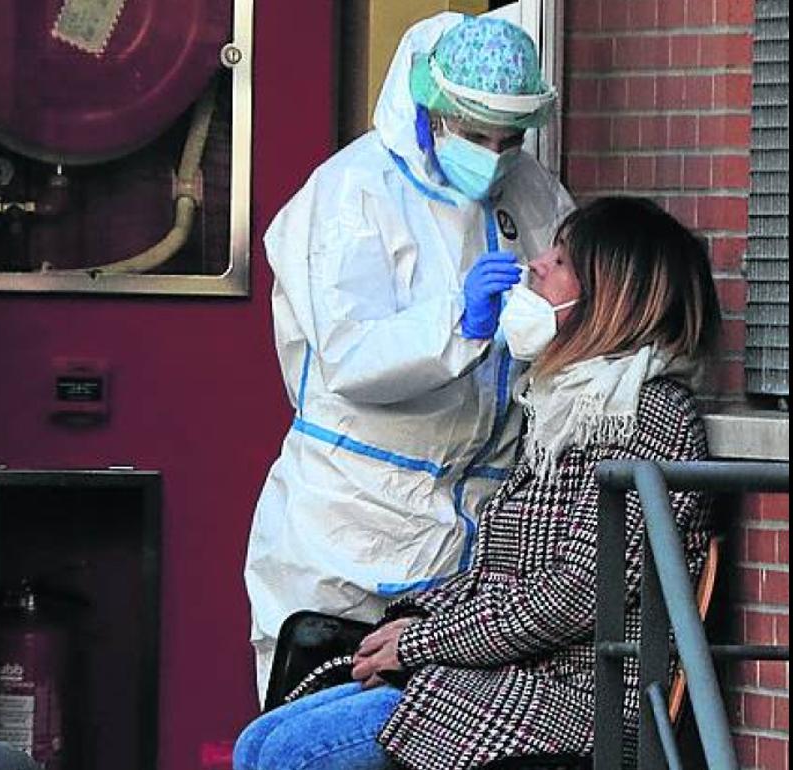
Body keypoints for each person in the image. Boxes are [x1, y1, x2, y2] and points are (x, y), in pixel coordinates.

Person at [233, 195, 723, 770]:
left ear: (615, 298)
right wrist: (411, 621)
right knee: (258, 742)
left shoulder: (648, 415)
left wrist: (419, 644)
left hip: (573, 700)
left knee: (294, 753)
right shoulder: (565, 404)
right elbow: (497, 574)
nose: (537, 264)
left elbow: (576, 594)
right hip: (507, 676)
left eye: (562, 261)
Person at [245, 12, 575, 699]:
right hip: (348, 521)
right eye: (476, 135)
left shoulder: (533, 193)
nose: (494, 155)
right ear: (430, 109)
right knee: (314, 715)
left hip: (471, 528)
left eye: (509, 139)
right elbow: (349, 356)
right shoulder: (352, 193)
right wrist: (460, 321)